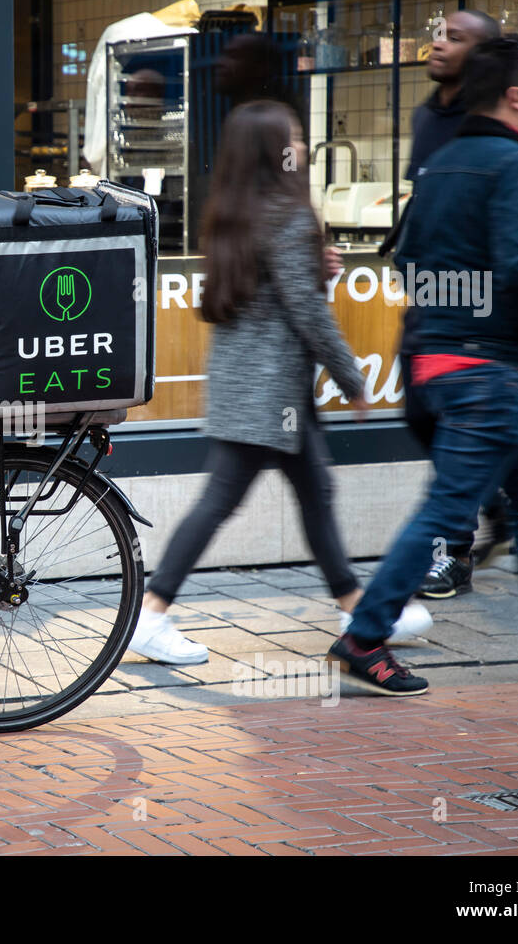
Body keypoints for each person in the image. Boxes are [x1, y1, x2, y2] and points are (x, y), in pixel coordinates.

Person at [328, 37, 518, 695]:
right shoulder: (516, 165)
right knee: (447, 510)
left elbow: (404, 260)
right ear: (516, 96)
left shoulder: (441, 164)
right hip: (486, 372)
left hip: (431, 364)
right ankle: (364, 638)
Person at [128, 100, 431, 665]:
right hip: (272, 392)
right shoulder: (289, 216)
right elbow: (307, 313)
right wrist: (352, 377)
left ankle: (356, 608)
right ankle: (151, 614)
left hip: (253, 385)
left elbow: (270, 289)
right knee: (231, 500)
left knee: (311, 493)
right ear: (275, 152)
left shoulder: (232, 213)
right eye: (292, 136)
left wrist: (315, 268)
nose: (301, 145)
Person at [397, 10, 510, 600]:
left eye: (455, 38)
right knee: (419, 413)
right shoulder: (425, 118)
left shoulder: (488, 124)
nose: (438, 44)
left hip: (475, 300)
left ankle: (453, 555)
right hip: (426, 293)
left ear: (482, 55)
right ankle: (496, 496)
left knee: (454, 422)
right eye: (437, 33)